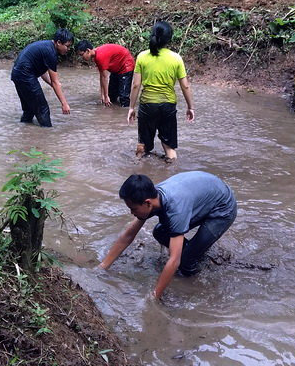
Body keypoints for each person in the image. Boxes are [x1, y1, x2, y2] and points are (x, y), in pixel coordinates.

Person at [99, 171, 237, 300]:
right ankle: (194, 252)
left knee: (185, 262)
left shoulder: (175, 209)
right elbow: (128, 236)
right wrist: (102, 267)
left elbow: (174, 260)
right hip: (205, 194)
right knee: (160, 232)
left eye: (133, 209)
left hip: (223, 208)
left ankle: (195, 276)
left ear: (147, 202)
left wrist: (155, 296)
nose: (131, 213)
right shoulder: (152, 197)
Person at [127, 21, 194, 162]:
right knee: (169, 148)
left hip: (147, 106)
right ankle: (171, 175)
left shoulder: (142, 56)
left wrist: (131, 108)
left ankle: (139, 174)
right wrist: (190, 107)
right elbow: (185, 86)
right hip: (167, 106)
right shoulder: (176, 58)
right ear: (169, 38)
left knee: (142, 145)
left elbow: (136, 85)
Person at [10, 28, 73, 127]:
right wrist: (64, 103)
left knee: (29, 110)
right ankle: (47, 134)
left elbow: (42, 72)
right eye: (67, 46)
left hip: (17, 74)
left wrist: (52, 84)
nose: (68, 49)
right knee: (43, 109)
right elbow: (55, 82)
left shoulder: (46, 47)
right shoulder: (51, 53)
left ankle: (24, 132)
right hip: (25, 75)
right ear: (59, 42)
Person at [75, 40, 135, 107]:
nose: (81, 57)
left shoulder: (100, 56)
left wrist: (106, 96)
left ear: (88, 51)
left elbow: (105, 77)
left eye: (81, 54)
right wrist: (102, 95)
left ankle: (126, 113)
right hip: (116, 68)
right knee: (112, 96)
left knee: (124, 97)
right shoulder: (96, 56)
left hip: (126, 65)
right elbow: (102, 76)